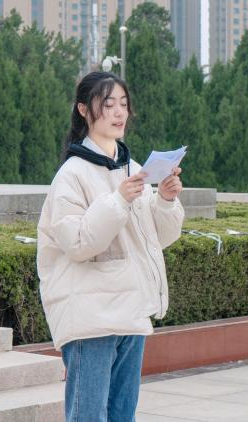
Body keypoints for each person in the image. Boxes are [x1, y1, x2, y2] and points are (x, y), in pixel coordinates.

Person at [36, 71, 184, 422]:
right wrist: (118, 201)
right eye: (108, 104)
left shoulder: (133, 169)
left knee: (122, 415)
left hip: (131, 312)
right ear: (84, 110)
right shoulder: (72, 175)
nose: (119, 113)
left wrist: (164, 200)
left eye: (123, 104)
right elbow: (78, 243)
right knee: (88, 416)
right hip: (91, 318)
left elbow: (156, 239)